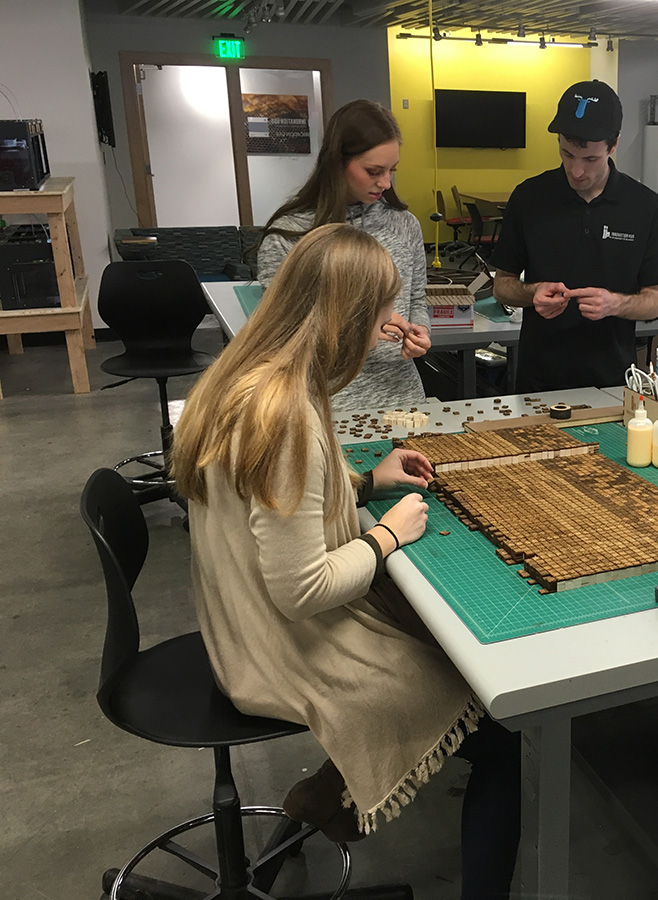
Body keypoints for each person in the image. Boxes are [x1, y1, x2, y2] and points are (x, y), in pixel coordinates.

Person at [172, 224, 520, 899]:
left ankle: (324, 798)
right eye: (377, 317)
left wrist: (366, 483)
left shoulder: (242, 375)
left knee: (430, 641)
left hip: (232, 622)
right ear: (341, 319)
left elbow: (269, 514)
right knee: (497, 728)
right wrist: (388, 533)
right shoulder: (286, 415)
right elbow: (304, 588)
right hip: (275, 647)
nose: (387, 331)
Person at [490, 79, 658, 392]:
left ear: (613, 145)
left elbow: (654, 302)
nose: (576, 171)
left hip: (614, 382)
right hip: (539, 382)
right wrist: (531, 293)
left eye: (590, 159)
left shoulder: (645, 206)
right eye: (566, 154)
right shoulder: (529, 198)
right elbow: (502, 286)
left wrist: (614, 304)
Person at [257, 99, 432, 412]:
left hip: (403, 398)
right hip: (324, 403)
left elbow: (417, 299)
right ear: (337, 162)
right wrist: (364, 326)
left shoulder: (404, 225)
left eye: (392, 170)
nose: (385, 183)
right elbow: (282, 336)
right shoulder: (290, 235)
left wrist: (419, 332)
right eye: (373, 171)